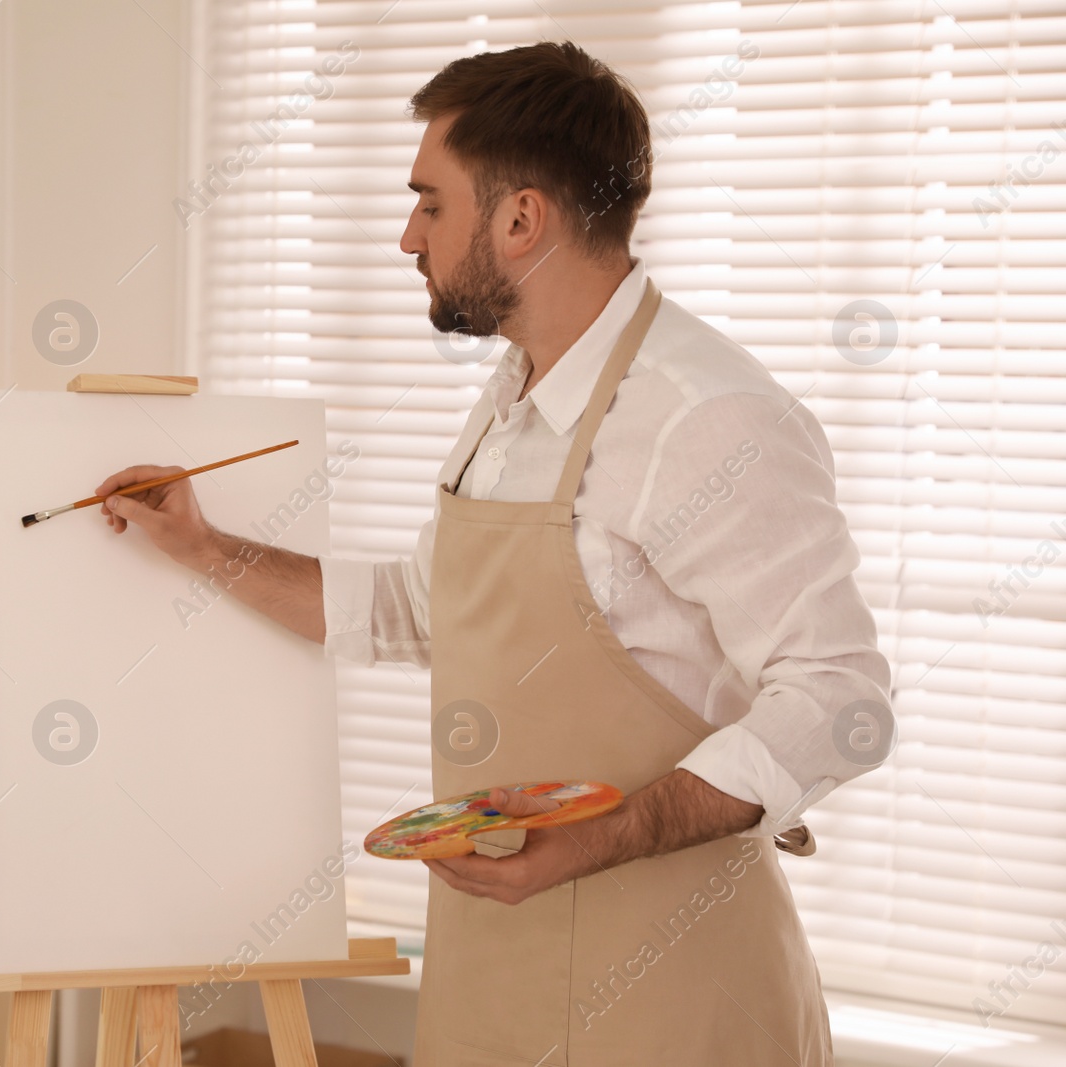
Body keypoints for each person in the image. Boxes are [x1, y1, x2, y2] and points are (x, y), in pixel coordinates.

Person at [95, 41, 890, 1066]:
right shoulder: (515, 398)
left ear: (520, 219)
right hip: (491, 965)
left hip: (669, 991)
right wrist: (203, 547)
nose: (404, 236)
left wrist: (598, 836)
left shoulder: (708, 418)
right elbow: (419, 609)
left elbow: (841, 696)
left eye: (430, 203)